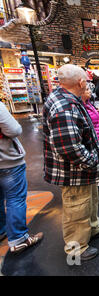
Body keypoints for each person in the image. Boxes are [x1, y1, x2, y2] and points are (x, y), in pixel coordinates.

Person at [42, 64, 99, 262]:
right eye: (87, 81)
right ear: (80, 82)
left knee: (89, 201)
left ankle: (91, 229)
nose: (88, 84)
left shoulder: (66, 98)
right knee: (77, 208)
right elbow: (69, 148)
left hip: (81, 170)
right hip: (74, 171)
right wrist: (92, 162)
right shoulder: (64, 106)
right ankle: (76, 249)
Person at [0, 102, 43, 255]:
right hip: (6, 160)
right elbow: (14, 129)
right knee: (15, 199)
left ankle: (2, 230)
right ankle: (18, 239)